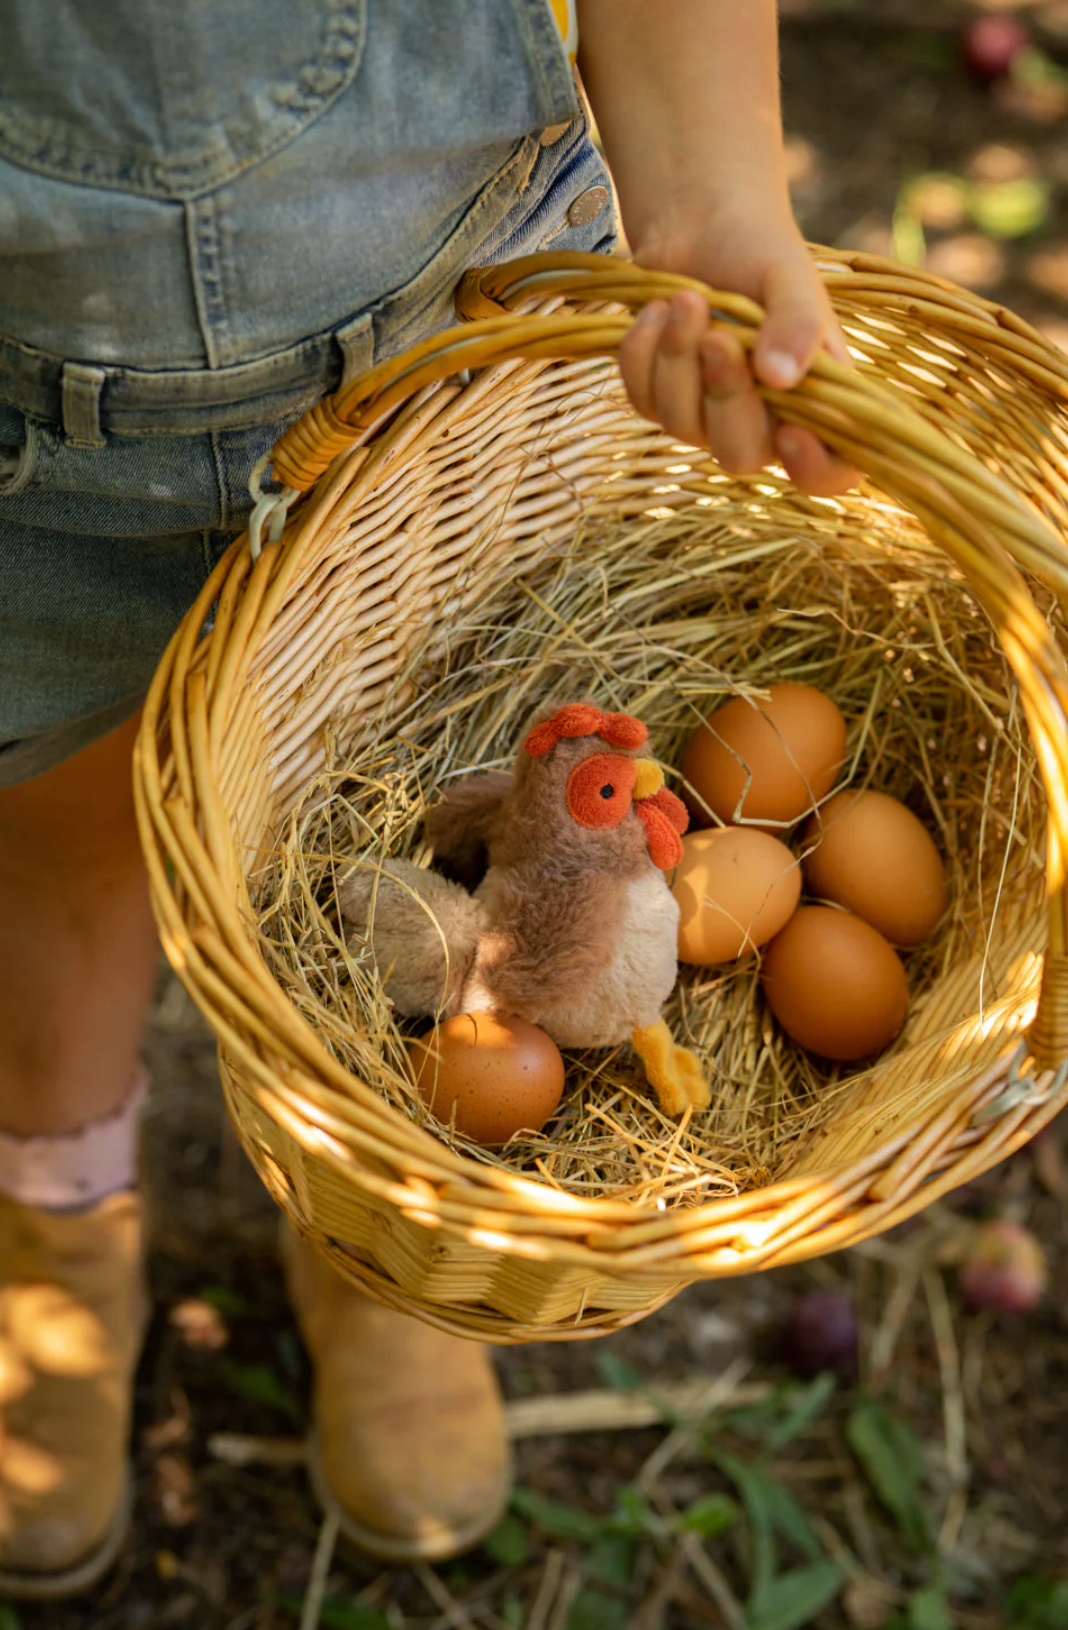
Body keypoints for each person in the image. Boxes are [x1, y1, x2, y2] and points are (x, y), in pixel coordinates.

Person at [0, 0, 856, 1599]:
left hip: (444, 331)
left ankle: (374, 1247)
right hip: (20, 430)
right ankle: (59, 1221)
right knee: (57, 841)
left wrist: (709, 189)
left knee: (372, 813)